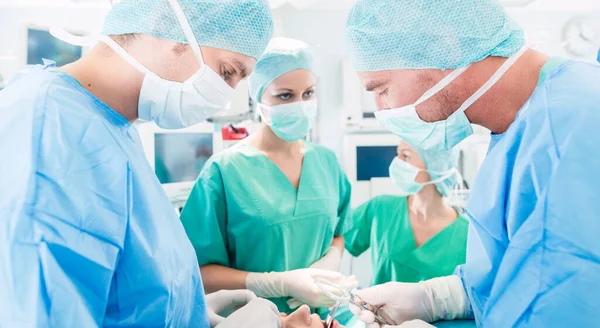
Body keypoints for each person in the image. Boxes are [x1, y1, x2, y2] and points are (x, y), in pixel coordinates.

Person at [0, 0, 279, 327]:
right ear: (165, 20)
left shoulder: (112, 127)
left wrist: (191, 311)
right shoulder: (52, 131)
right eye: (227, 72)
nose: (226, 95)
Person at [344, 0, 600, 327]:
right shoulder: (514, 132)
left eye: (381, 89)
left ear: (442, 46)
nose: (382, 109)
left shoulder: (577, 121)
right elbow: (513, 276)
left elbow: (567, 305)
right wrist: (440, 297)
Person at [179, 37, 357, 315]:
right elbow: (198, 272)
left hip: (325, 317)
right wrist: (276, 283)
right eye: (285, 95)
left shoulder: (326, 162)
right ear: (258, 96)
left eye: (308, 93)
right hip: (255, 319)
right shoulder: (224, 171)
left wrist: (331, 260)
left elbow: (339, 233)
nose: (300, 104)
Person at [344, 142, 468, 285]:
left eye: (406, 156)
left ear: (436, 165)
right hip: (374, 308)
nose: (397, 162)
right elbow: (338, 236)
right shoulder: (381, 209)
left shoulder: (467, 234)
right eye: (398, 155)